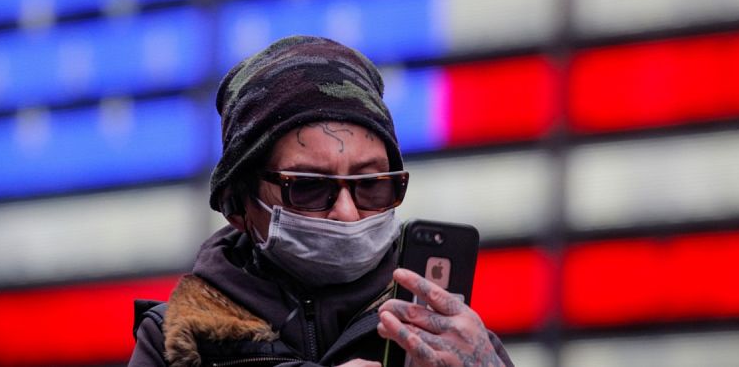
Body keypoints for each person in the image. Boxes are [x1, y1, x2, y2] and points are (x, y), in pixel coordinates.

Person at [129, 36, 513, 367]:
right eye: (309, 187)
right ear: (238, 206)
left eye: (372, 185)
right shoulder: (173, 344)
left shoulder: (450, 338)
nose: (347, 212)